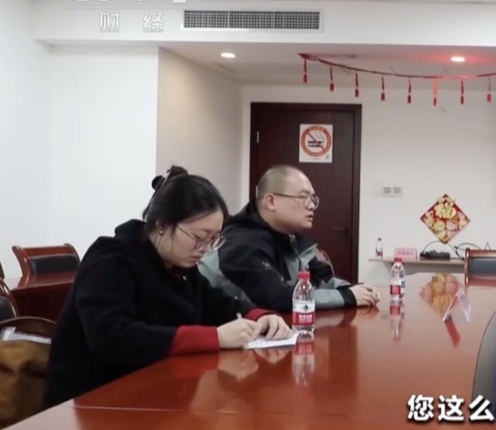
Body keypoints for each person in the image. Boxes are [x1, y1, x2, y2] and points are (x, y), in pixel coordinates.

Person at [44, 166, 292, 408]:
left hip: (153, 391)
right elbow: (112, 338)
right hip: (92, 401)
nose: (205, 249)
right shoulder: (110, 260)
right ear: (162, 225)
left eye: (213, 240)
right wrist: (215, 338)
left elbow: (216, 302)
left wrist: (258, 316)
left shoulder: (179, 264)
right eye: (199, 238)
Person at [199, 165, 378, 312]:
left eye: (313, 199)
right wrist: (348, 297)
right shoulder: (242, 243)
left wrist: (351, 289)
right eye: (303, 197)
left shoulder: (289, 235)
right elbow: (278, 298)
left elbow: (321, 279)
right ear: (271, 201)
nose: (311, 206)